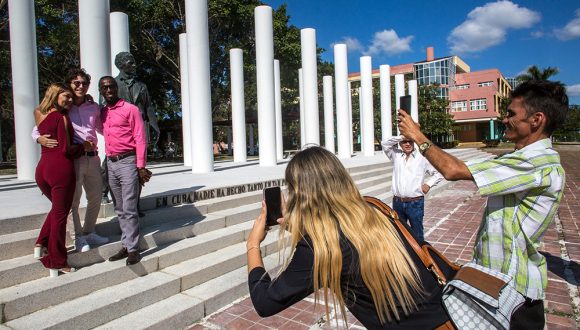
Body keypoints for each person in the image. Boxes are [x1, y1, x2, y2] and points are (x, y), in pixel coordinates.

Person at [398, 80, 568, 329]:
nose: (505, 119)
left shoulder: (537, 163)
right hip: (493, 281)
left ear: (536, 119)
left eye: (511, 114)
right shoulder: (525, 159)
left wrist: (418, 137)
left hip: (512, 293)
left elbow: (453, 170)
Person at [246, 146, 450, 329]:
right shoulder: (374, 208)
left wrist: (253, 244)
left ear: (300, 194)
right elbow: (343, 237)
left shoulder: (319, 246)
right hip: (445, 313)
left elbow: (265, 302)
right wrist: (295, 225)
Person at [32, 68, 109, 252]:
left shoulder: (94, 107)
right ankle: (78, 238)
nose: (81, 86)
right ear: (69, 85)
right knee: (73, 201)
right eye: (77, 83)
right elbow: (42, 125)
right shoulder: (65, 105)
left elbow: (102, 128)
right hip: (73, 158)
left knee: (96, 197)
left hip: (93, 158)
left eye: (84, 83)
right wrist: (37, 137)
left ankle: (89, 231)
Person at [34, 83, 88, 277]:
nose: (70, 100)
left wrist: (38, 139)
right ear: (56, 96)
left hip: (42, 169)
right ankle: (56, 261)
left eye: (71, 97)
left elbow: (39, 134)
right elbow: (66, 150)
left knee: (58, 209)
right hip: (60, 170)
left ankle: (41, 242)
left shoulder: (40, 114)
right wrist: (83, 147)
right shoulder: (61, 117)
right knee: (60, 215)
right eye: (66, 96)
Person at [100, 76, 151, 266]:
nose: (108, 90)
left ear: (116, 88)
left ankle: (133, 249)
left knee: (129, 208)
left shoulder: (131, 109)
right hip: (111, 163)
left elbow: (140, 137)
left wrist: (140, 166)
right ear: (101, 91)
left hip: (128, 161)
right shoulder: (102, 112)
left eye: (111, 86)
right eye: (104, 88)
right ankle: (126, 244)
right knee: (120, 208)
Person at [382, 136, 443, 242]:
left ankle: (420, 258)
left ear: (414, 142)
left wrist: (428, 184)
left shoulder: (422, 157)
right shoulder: (396, 155)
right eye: (404, 142)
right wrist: (402, 136)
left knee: (417, 235)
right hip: (398, 203)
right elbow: (385, 144)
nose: (407, 144)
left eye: (410, 141)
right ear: (400, 144)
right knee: (399, 234)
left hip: (415, 203)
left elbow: (439, 172)